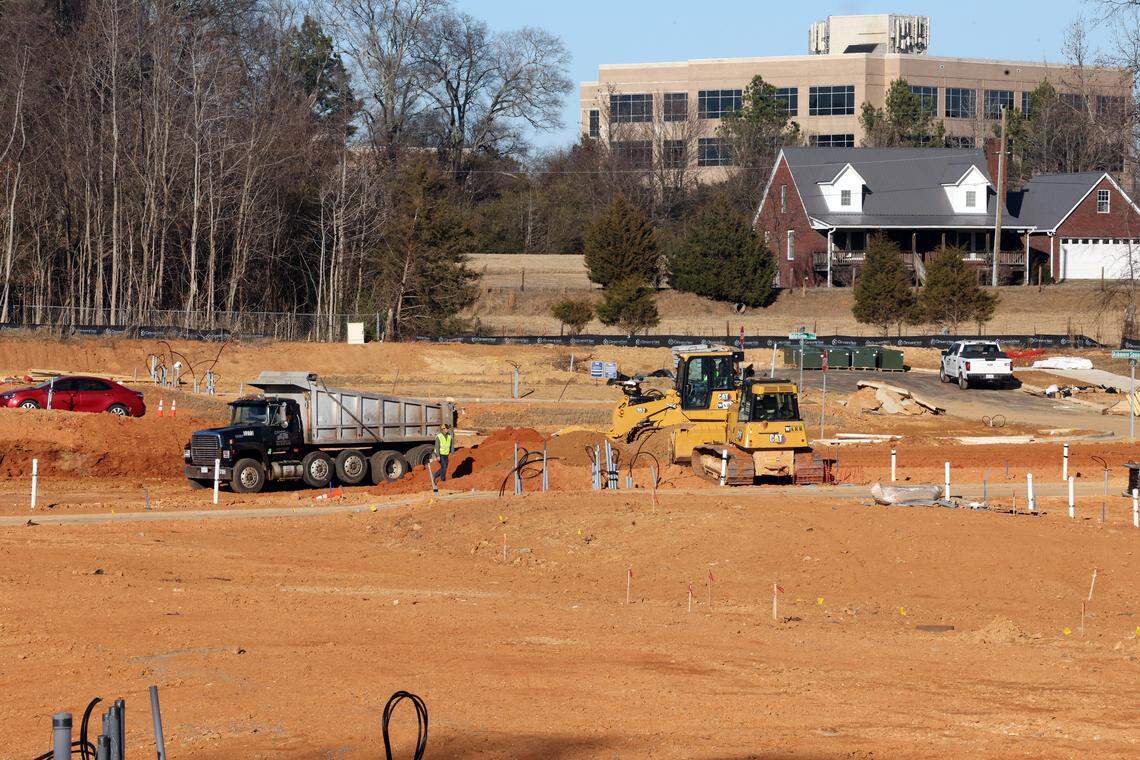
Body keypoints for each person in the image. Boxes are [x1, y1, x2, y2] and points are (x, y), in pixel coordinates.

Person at [433, 423, 454, 491]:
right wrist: (438, 456)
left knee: (445, 467)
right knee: (444, 467)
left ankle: (435, 475)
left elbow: (451, 445)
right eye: (446, 428)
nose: (447, 430)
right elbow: (437, 447)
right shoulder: (439, 436)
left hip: (446, 454)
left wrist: (452, 453)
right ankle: (443, 480)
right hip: (441, 454)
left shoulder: (449, 436)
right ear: (443, 429)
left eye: (448, 428)